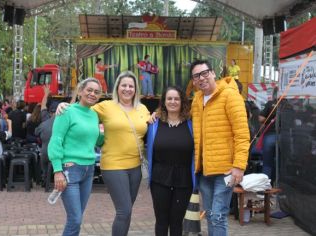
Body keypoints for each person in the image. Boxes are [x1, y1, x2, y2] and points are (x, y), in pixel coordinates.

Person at [57, 71, 150, 236]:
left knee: (127, 211)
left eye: (131, 86)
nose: (127, 89)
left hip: (136, 167)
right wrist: (64, 105)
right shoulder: (106, 106)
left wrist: (157, 115)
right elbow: (82, 107)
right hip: (113, 165)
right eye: (124, 85)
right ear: (117, 88)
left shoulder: (142, 109)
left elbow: (151, 125)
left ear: (135, 89)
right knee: (124, 210)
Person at [190, 60, 250, 236]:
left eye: (205, 73)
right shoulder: (197, 100)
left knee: (217, 215)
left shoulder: (230, 96)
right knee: (210, 215)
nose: (202, 78)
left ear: (213, 73)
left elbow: (242, 134)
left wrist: (239, 166)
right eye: (196, 76)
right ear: (193, 81)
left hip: (225, 171)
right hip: (204, 171)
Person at [48, 78, 104, 236]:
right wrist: (57, 171)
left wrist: (101, 134)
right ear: (80, 91)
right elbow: (56, 141)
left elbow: (95, 140)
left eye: (96, 92)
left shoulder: (94, 115)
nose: (92, 94)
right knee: (75, 219)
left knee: (76, 217)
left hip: (89, 170)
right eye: (89, 90)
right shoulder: (66, 111)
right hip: (70, 170)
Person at [146, 86, 196, 236]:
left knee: (176, 222)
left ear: (182, 101)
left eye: (176, 99)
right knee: (161, 221)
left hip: (184, 179)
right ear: (164, 102)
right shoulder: (153, 123)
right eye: (169, 98)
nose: (173, 102)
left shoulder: (191, 123)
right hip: (160, 177)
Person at [258, 87, 278, 181]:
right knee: (279, 164)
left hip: (270, 135)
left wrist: (269, 120)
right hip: (285, 137)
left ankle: (265, 189)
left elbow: (261, 119)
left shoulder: (270, 104)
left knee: (267, 163)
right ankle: (278, 189)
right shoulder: (288, 105)